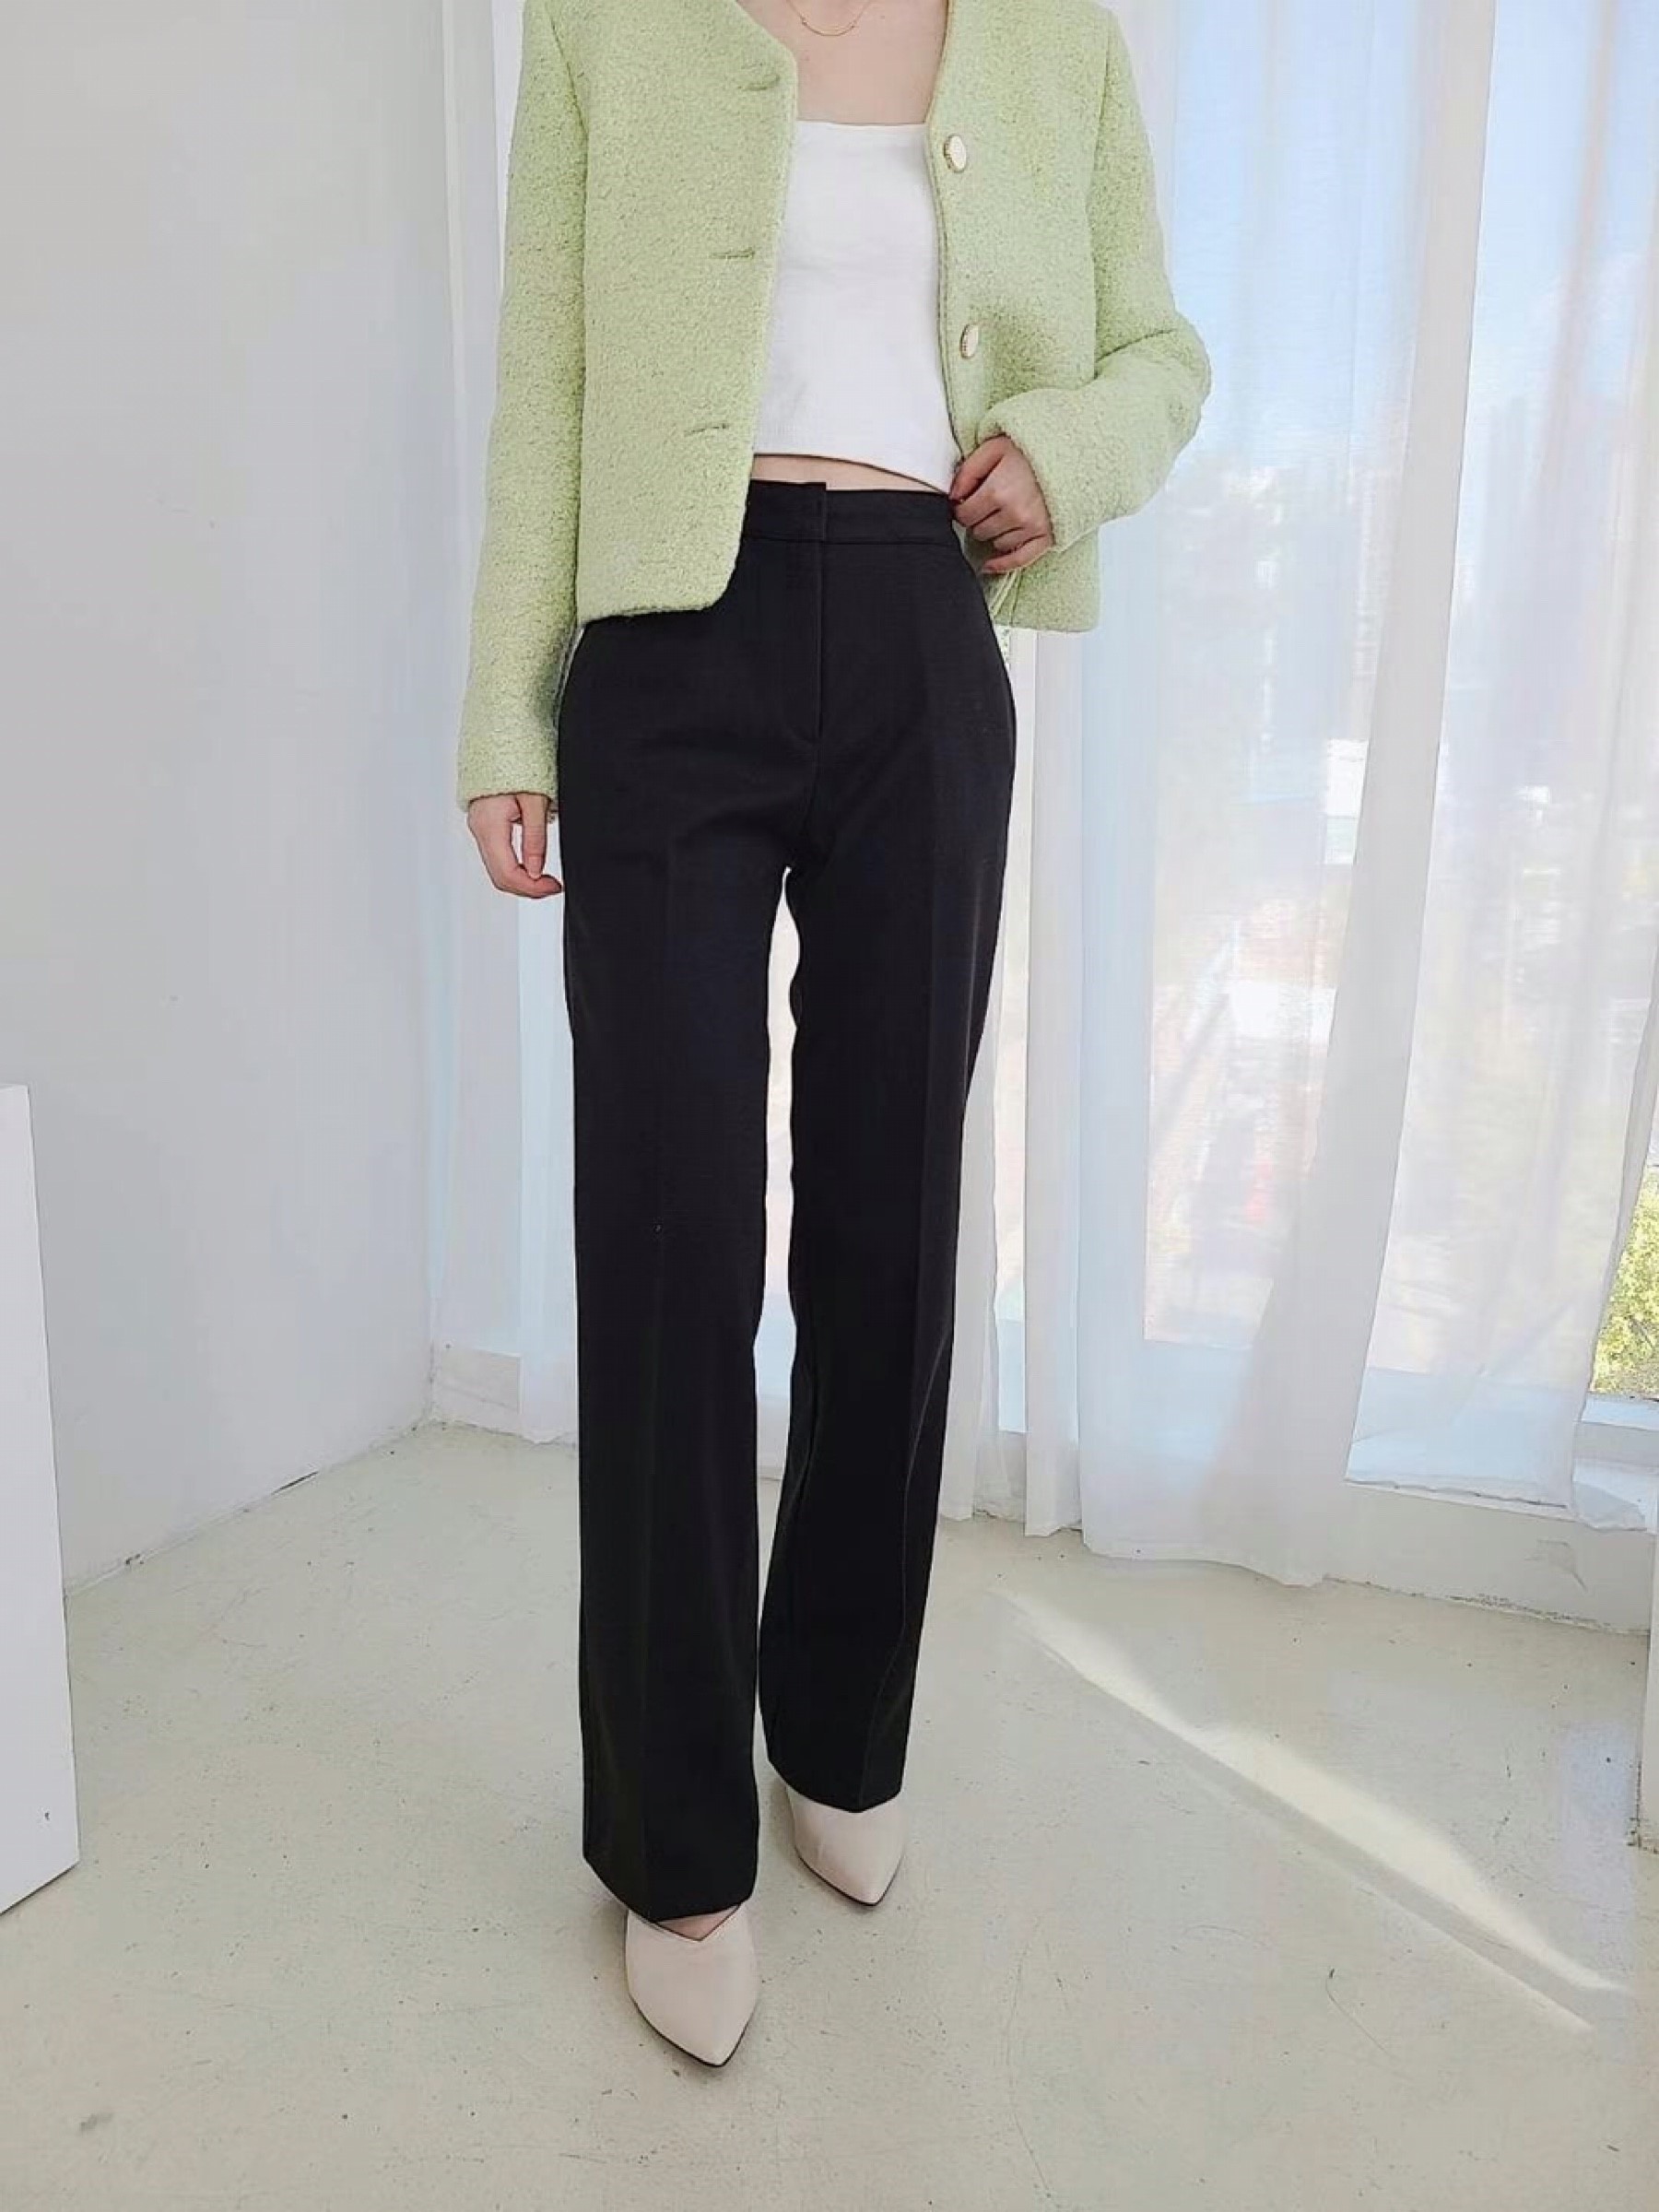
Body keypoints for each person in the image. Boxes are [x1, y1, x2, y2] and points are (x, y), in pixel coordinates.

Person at [456, 0, 1209, 2066]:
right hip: (663, 660)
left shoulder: (1054, 40)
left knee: (888, 1233)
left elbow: (1165, 352)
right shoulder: (605, 25)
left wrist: (1062, 454)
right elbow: (549, 374)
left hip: (920, 639)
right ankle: (674, 1838)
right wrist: (506, 706)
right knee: (670, 1241)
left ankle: (840, 1735)